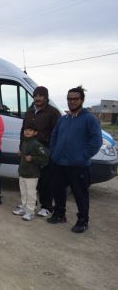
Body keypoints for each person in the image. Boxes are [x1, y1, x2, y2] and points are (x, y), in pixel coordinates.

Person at [47, 86, 102, 233]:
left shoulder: (89, 119)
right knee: (58, 190)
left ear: (82, 100)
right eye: (69, 99)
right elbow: (54, 136)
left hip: (78, 165)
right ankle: (59, 214)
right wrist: (54, 153)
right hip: (59, 163)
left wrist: (82, 157)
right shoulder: (63, 119)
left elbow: (96, 142)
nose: (71, 101)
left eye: (75, 99)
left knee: (80, 194)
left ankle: (82, 221)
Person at [20, 86, 61, 217]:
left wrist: (51, 150)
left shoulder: (53, 112)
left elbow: (57, 133)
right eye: (35, 95)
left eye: (40, 96)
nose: (37, 98)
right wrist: (22, 146)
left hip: (43, 151)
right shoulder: (29, 111)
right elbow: (23, 129)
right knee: (29, 181)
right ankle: (28, 206)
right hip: (28, 150)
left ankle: (46, 206)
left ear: (45, 97)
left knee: (45, 181)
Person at [12, 121, 49, 221]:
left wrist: (33, 158)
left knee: (31, 193)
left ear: (35, 133)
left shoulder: (36, 144)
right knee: (23, 192)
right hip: (23, 172)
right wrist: (21, 153)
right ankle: (24, 208)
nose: (27, 132)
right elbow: (25, 155)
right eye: (26, 130)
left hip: (32, 174)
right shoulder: (25, 142)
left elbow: (45, 157)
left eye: (30, 130)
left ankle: (30, 212)